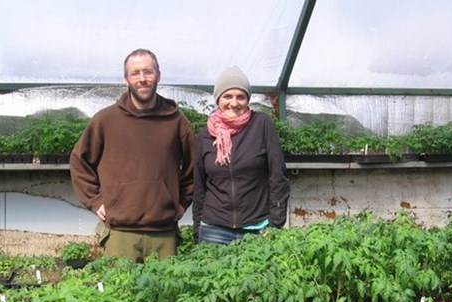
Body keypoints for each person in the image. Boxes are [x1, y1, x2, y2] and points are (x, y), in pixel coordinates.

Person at [70, 48, 195, 262]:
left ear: (158, 75)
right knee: (120, 294)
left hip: (163, 234)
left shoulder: (176, 121)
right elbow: (79, 161)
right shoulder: (106, 120)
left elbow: (194, 167)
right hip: (120, 234)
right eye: (135, 73)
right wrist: (95, 200)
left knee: (165, 294)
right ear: (126, 79)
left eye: (148, 72)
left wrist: (182, 202)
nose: (142, 79)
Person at [192, 66, 290, 244]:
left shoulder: (261, 124)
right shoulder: (206, 134)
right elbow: (199, 185)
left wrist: (275, 223)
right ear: (218, 99)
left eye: (241, 96)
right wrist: (198, 228)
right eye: (227, 96)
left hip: (257, 228)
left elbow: (278, 175)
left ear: (248, 99)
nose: (234, 103)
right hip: (214, 230)